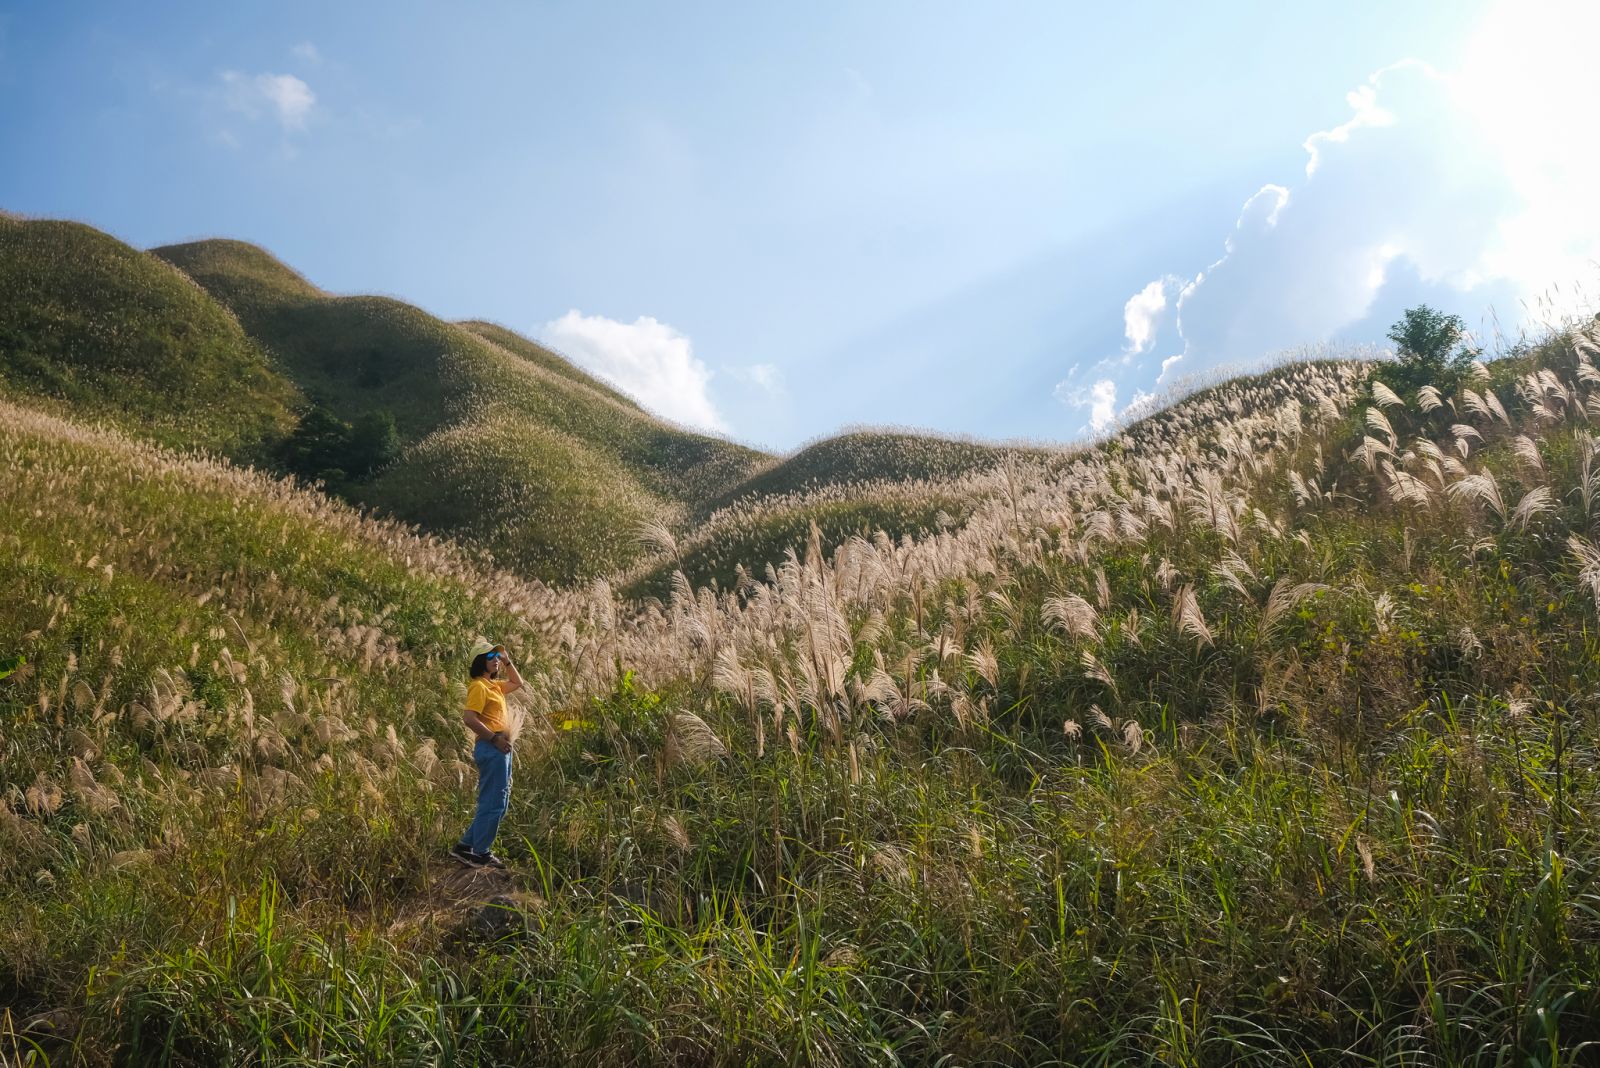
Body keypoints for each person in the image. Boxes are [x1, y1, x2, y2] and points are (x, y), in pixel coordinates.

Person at [449, 638, 523, 869]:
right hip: (492, 746)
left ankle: (465, 846)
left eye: (497, 656)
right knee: (493, 802)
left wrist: (506, 660)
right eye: (491, 656)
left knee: (500, 801)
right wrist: (494, 739)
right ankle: (480, 853)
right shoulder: (478, 686)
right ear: (480, 661)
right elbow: (469, 718)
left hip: (500, 747)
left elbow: (517, 682)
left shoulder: (495, 686)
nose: (496, 660)